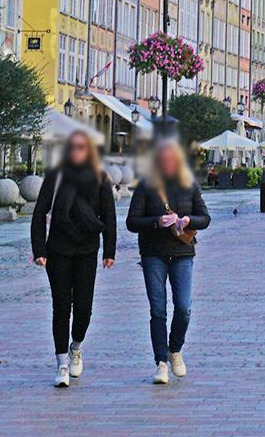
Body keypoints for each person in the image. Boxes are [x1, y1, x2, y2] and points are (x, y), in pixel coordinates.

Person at [31, 130, 117, 388]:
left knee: (83, 309)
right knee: (61, 307)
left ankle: (76, 347)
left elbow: (109, 216)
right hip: (57, 250)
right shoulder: (56, 177)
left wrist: (109, 251)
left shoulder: (99, 178)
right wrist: (39, 251)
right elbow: (39, 214)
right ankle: (61, 364)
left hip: (87, 250)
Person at [125, 135, 211, 386]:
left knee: (184, 307)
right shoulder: (146, 186)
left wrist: (188, 221)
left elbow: (204, 218)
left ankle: (175, 349)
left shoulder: (189, 184)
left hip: (182, 254)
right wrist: (155, 222)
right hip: (153, 253)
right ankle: (161, 362)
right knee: (158, 309)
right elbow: (131, 222)